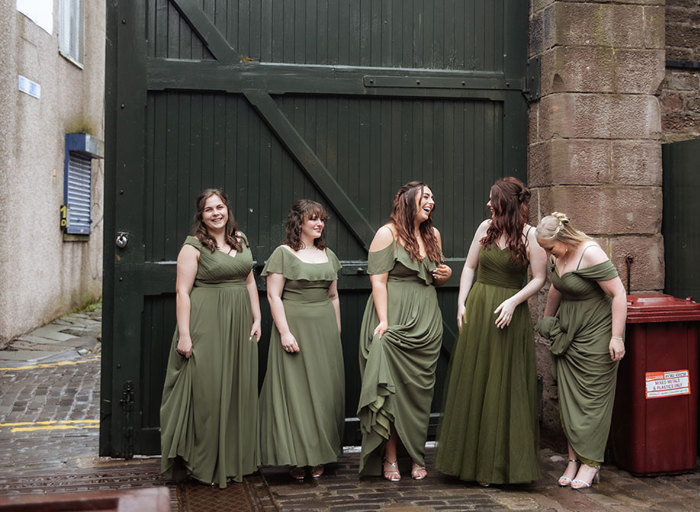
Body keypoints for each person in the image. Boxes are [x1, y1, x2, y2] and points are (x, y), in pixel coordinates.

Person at [435, 177, 546, 486]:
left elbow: (539, 278)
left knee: (504, 385)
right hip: (481, 307)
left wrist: (513, 301)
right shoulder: (485, 229)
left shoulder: (530, 236)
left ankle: (496, 467)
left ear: (506, 203)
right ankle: (470, 462)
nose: (487, 204)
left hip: (509, 314)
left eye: (492, 199)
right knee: (476, 381)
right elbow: (469, 267)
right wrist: (461, 303)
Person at [160, 188, 262, 488]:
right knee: (209, 394)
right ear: (201, 215)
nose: (216, 213)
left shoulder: (240, 239)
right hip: (207, 324)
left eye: (220, 207)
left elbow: (249, 280)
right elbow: (182, 292)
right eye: (209, 209)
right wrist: (185, 335)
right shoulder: (192, 247)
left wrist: (257, 317)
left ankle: (234, 462)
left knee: (237, 391)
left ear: (227, 209)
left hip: (240, 323)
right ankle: (204, 463)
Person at [357, 181, 452, 482]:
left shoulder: (432, 235)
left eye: (433, 197)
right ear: (409, 200)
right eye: (426, 196)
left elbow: (434, 278)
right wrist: (383, 321)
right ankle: (390, 457)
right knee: (392, 392)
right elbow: (378, 281)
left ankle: (417, 455)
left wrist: (445, 275)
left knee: (419, 394)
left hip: (426, 322)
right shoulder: (387, 233)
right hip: (394, 318)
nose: (432, 201)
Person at [534, 212, 626, 489]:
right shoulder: (556, 255)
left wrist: (617, 337)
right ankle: (574, 460)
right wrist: (547, 322)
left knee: (592, 402)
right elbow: (555, 289)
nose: (548, 253)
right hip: (568, 334)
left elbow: (618, 294)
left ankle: (591, 463)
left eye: (549, 247)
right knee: (570, 400)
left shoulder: (591, 253)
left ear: (562, 237)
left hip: (596, 335)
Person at [258, 199, 345, 481]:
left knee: (323, 393)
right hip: (294, 325)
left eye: (321, 219)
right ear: (299, 223)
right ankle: (296, 457)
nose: (319, 224)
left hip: (324, 329)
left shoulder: (328, 255)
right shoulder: (283, 253)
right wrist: (284, 331)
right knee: (295, 392)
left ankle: (319, 454)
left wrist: (337, 329)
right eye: (313, 219)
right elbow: (274, 295)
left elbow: (333, 295)